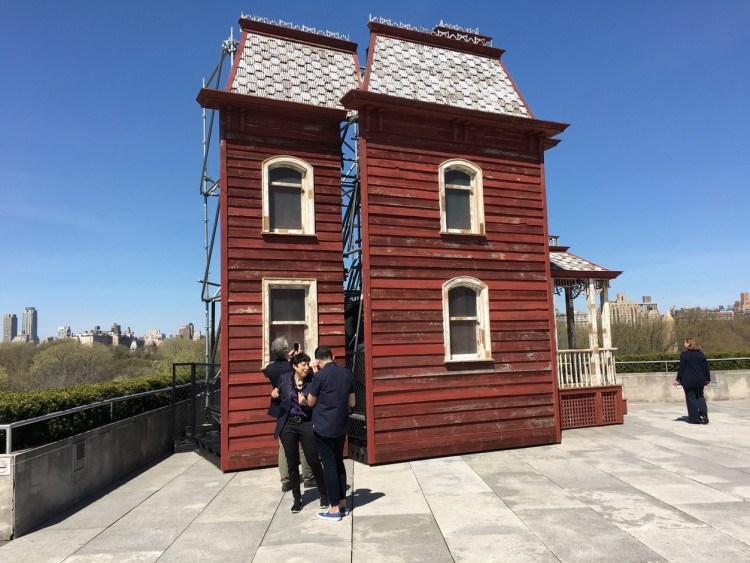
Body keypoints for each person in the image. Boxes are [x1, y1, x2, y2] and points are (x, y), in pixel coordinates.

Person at [271, 352, 329, 513]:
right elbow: (278, 396)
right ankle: (297, 499)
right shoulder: (284, 379)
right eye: (303, 364)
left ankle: (323, 494)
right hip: (288, 425)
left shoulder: (313, 380)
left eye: (307, 364)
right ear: (294, 367)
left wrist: (307, 405)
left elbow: (319, 404)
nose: (306, 367)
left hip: (306, 423)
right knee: (292, 462)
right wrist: (274, 395)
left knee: (313, 459)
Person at [307, 345, 355, 521]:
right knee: (339, 462)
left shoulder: (319, 376)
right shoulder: (346, 373)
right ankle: (343, 504)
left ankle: (334, 508)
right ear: (333, 356)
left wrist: (314, 377)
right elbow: (352, 402)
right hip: (341, 424)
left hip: (323, 426)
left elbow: (311, 402)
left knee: (328, 464)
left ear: (317, 361)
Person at [262, 337, 314, 491]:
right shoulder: (291, 368)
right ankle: (308, 477)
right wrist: (296, 357)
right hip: (299, 404)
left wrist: (289, 357)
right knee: (305, 445)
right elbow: (298, 370)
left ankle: (286, 481)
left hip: (282, 408)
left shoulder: (270, 369)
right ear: (286, 351)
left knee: (284, 446)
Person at [672, 337, 711, 424]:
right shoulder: (701, 354)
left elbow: (681, 368)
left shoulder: (684, 354)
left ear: (689, 344)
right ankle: (703, 414)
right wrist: (708, 378)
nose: (684, 344)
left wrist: (678, 379)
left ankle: (695, 419)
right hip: (700, 380)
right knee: (700, 396)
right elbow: (706, 367)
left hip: (688, 380)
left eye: (685, 343)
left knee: (691, 398)